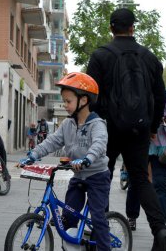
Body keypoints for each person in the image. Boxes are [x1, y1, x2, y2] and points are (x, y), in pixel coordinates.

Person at [86, 8, 166, 250]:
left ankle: (99, 231)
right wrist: (152, 127)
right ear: (133, 28)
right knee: (141, 179)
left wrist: (96, 124)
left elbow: (91, 94)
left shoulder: (101, 56)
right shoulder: (150, 58)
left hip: (107, 128)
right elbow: (159, 97)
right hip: (139, 130)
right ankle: (160, 229)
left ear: (111, 28)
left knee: (102, 176)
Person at [19, 72, 111, 251]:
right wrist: (33, 154)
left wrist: (87, 159)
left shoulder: (97, 124)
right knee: (68, 215)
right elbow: (52, 141)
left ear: (83, 100)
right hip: (78, 176)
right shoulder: (68, 125)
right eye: (64, 101)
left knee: (98, 217)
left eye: (68, 101)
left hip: (97, 176)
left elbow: (99, 143)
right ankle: (72, 244)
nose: (65, 105)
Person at [125, 89, 166, 230]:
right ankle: (131, 216)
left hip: (161, 146)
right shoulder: (135, 90)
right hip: (139, 144)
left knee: (159, 184)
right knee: (135, 182)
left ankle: (160, 224)